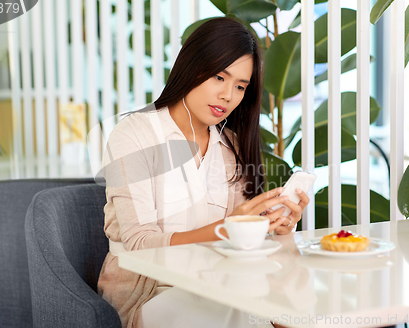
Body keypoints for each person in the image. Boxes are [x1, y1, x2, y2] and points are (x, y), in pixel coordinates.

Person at [97, 17, 310, 328]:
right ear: (191, 67)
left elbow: (240, 249)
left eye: (240, 86)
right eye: (218, 78)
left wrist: (277, 229)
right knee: (245, 311)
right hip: (149, 296)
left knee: (291, 309)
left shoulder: (231, 146)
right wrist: (229, 227)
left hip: (219, 286)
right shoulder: (134, 134)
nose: (228, 95)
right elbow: (139, 245)